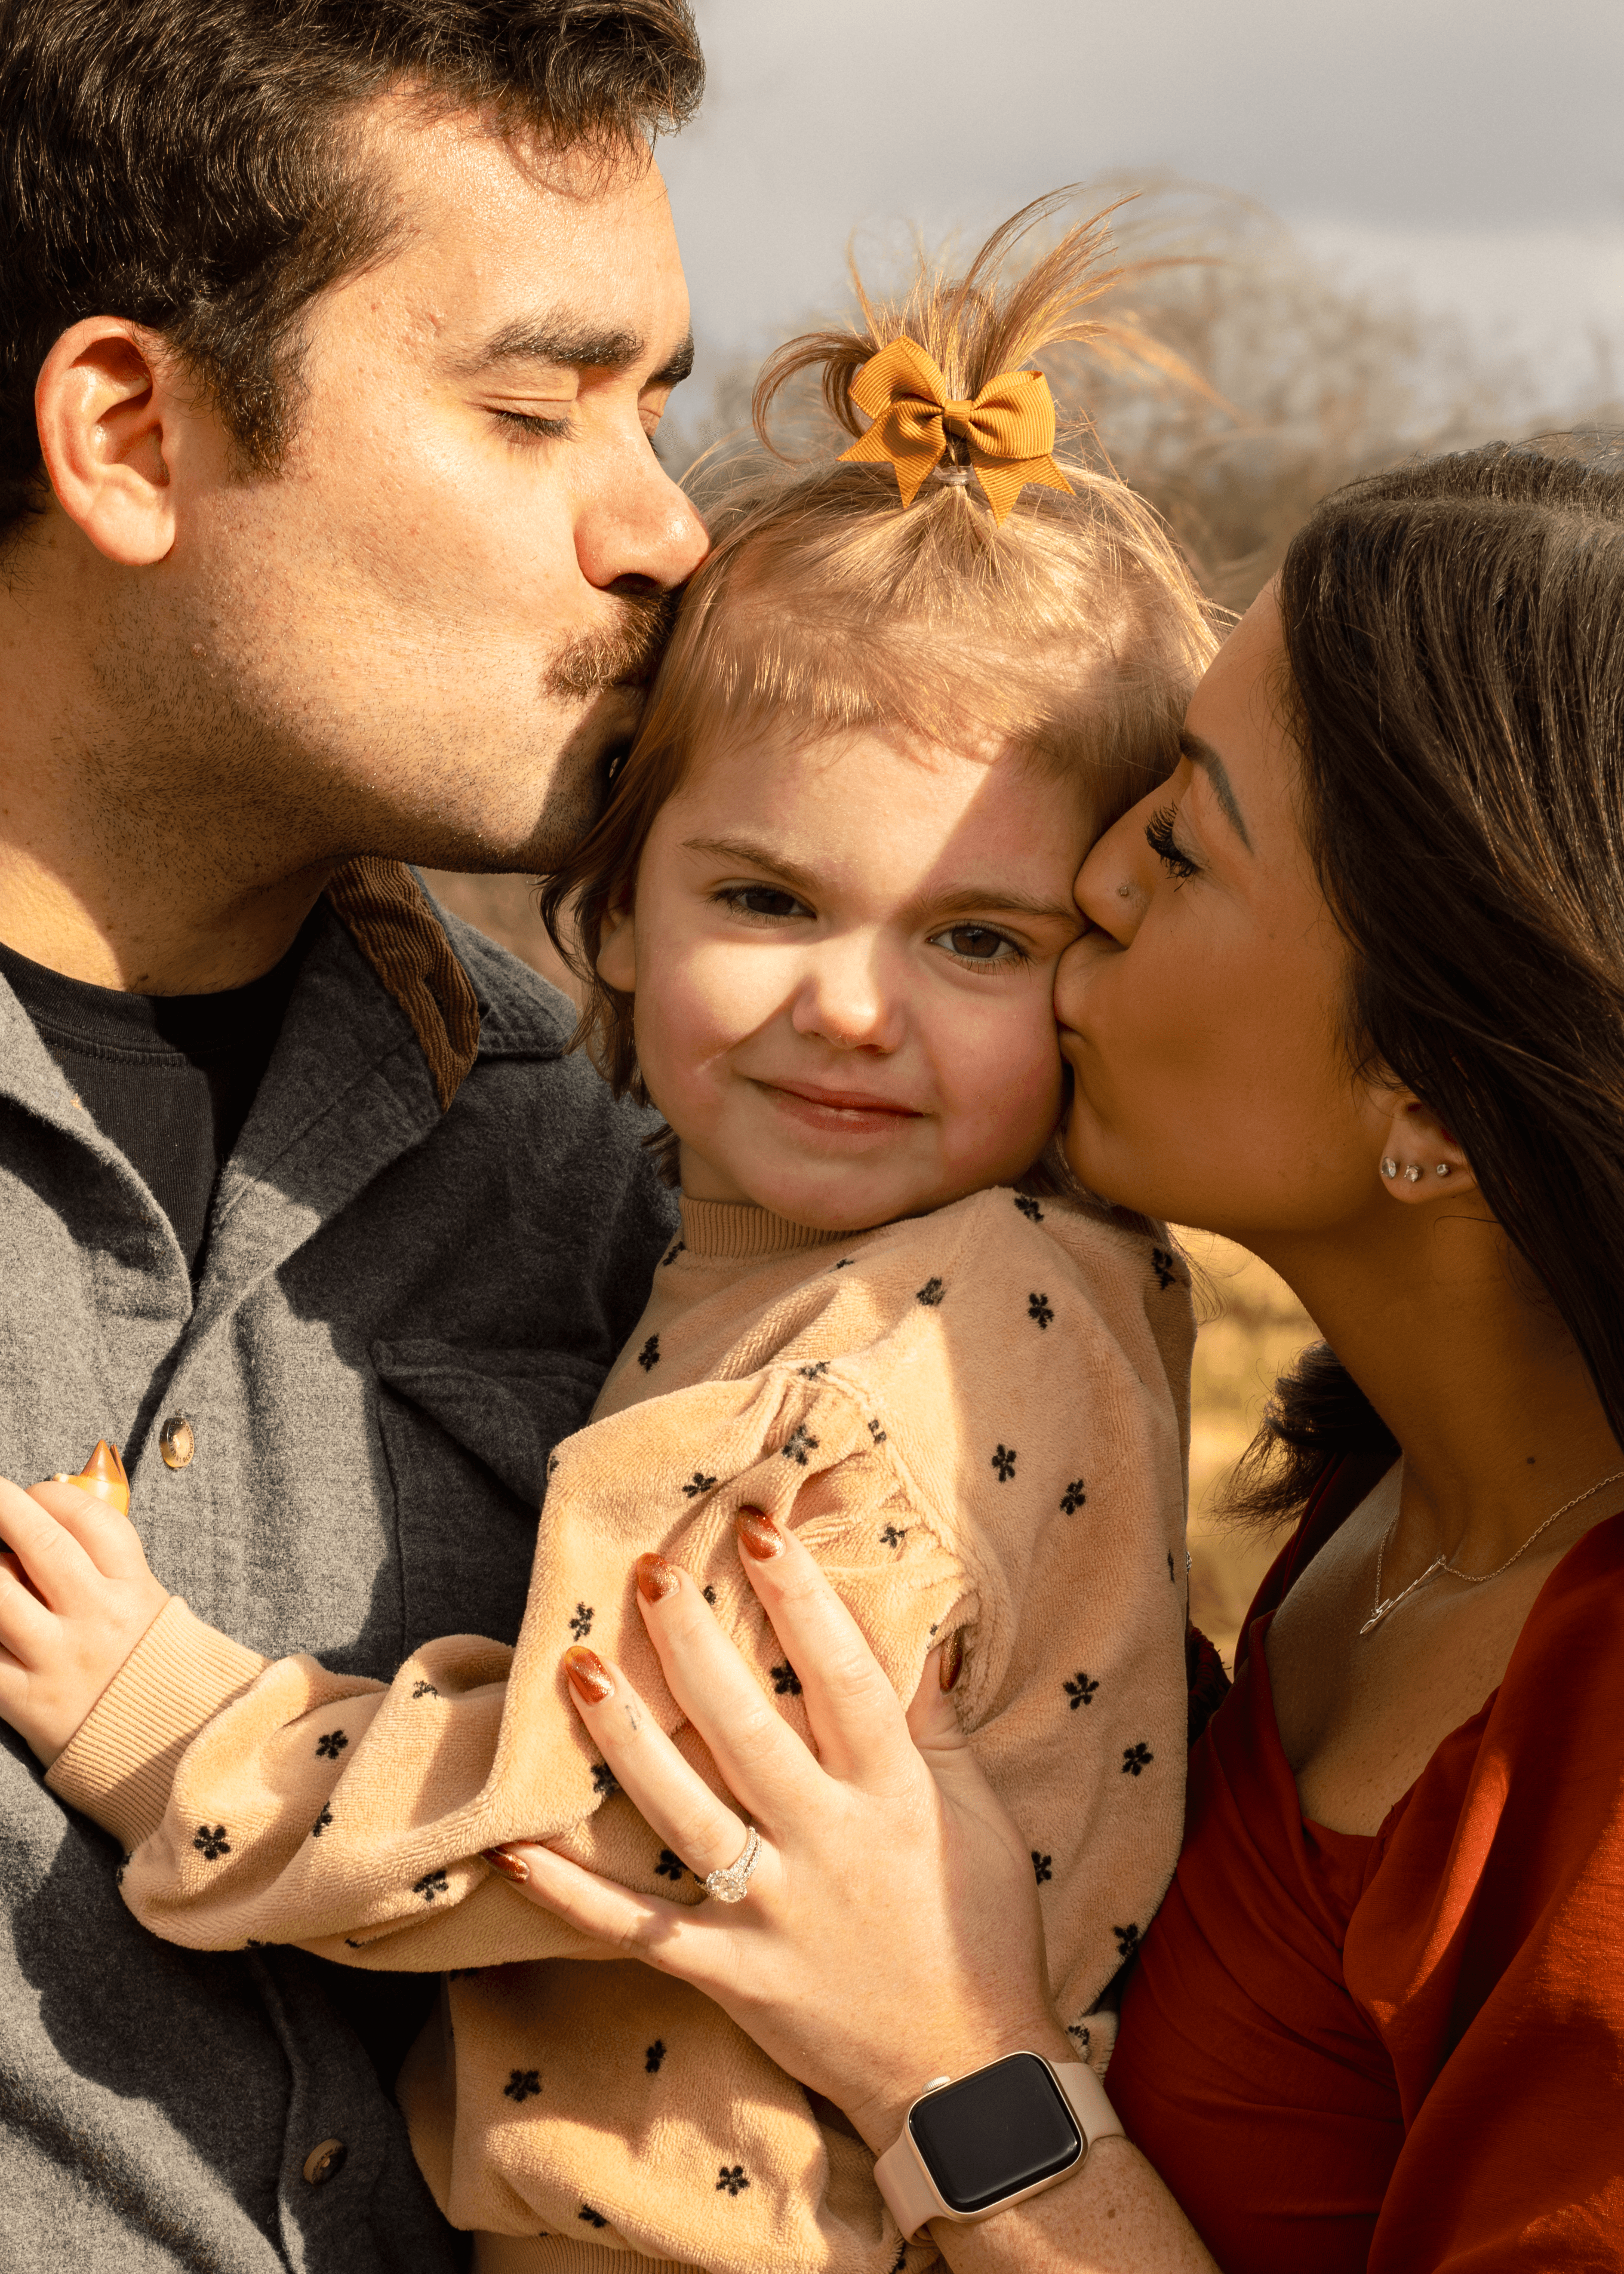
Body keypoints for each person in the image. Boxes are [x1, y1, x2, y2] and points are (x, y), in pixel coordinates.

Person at [0, 210, 1222, 2274]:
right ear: (619, 911)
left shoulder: (927, 1339)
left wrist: (167, 1725)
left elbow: (605, 1815)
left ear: (1100, 959)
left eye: (977, 940)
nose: (855, 1007)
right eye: (768, 902)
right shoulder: (754, 1257)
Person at [467, 437, 1624, 2272]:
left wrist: (950, 2058)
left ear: (1435, 1093)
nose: (1092, 878)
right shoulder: (1374, 1510)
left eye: (1178, 840)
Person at [0, 4, 709, 2268]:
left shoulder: (620, 1169)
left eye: (658, 406)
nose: (665, 529)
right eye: (535, 406)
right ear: (130, 435)